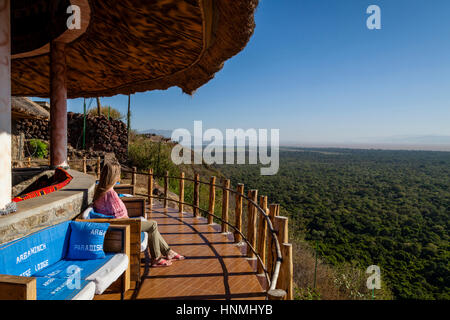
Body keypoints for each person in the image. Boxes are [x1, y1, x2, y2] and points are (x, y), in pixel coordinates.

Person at [93, 162, 184, 267]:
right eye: (118, 174)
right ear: (114, 176)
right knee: (152, 225)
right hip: (122, 227)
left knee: (151, 226)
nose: (119, 176)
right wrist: (134, 221)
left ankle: (168, 252)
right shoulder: (110, 194)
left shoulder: (101, 191)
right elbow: (119, 217)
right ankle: (156, 258)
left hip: (117, 225)